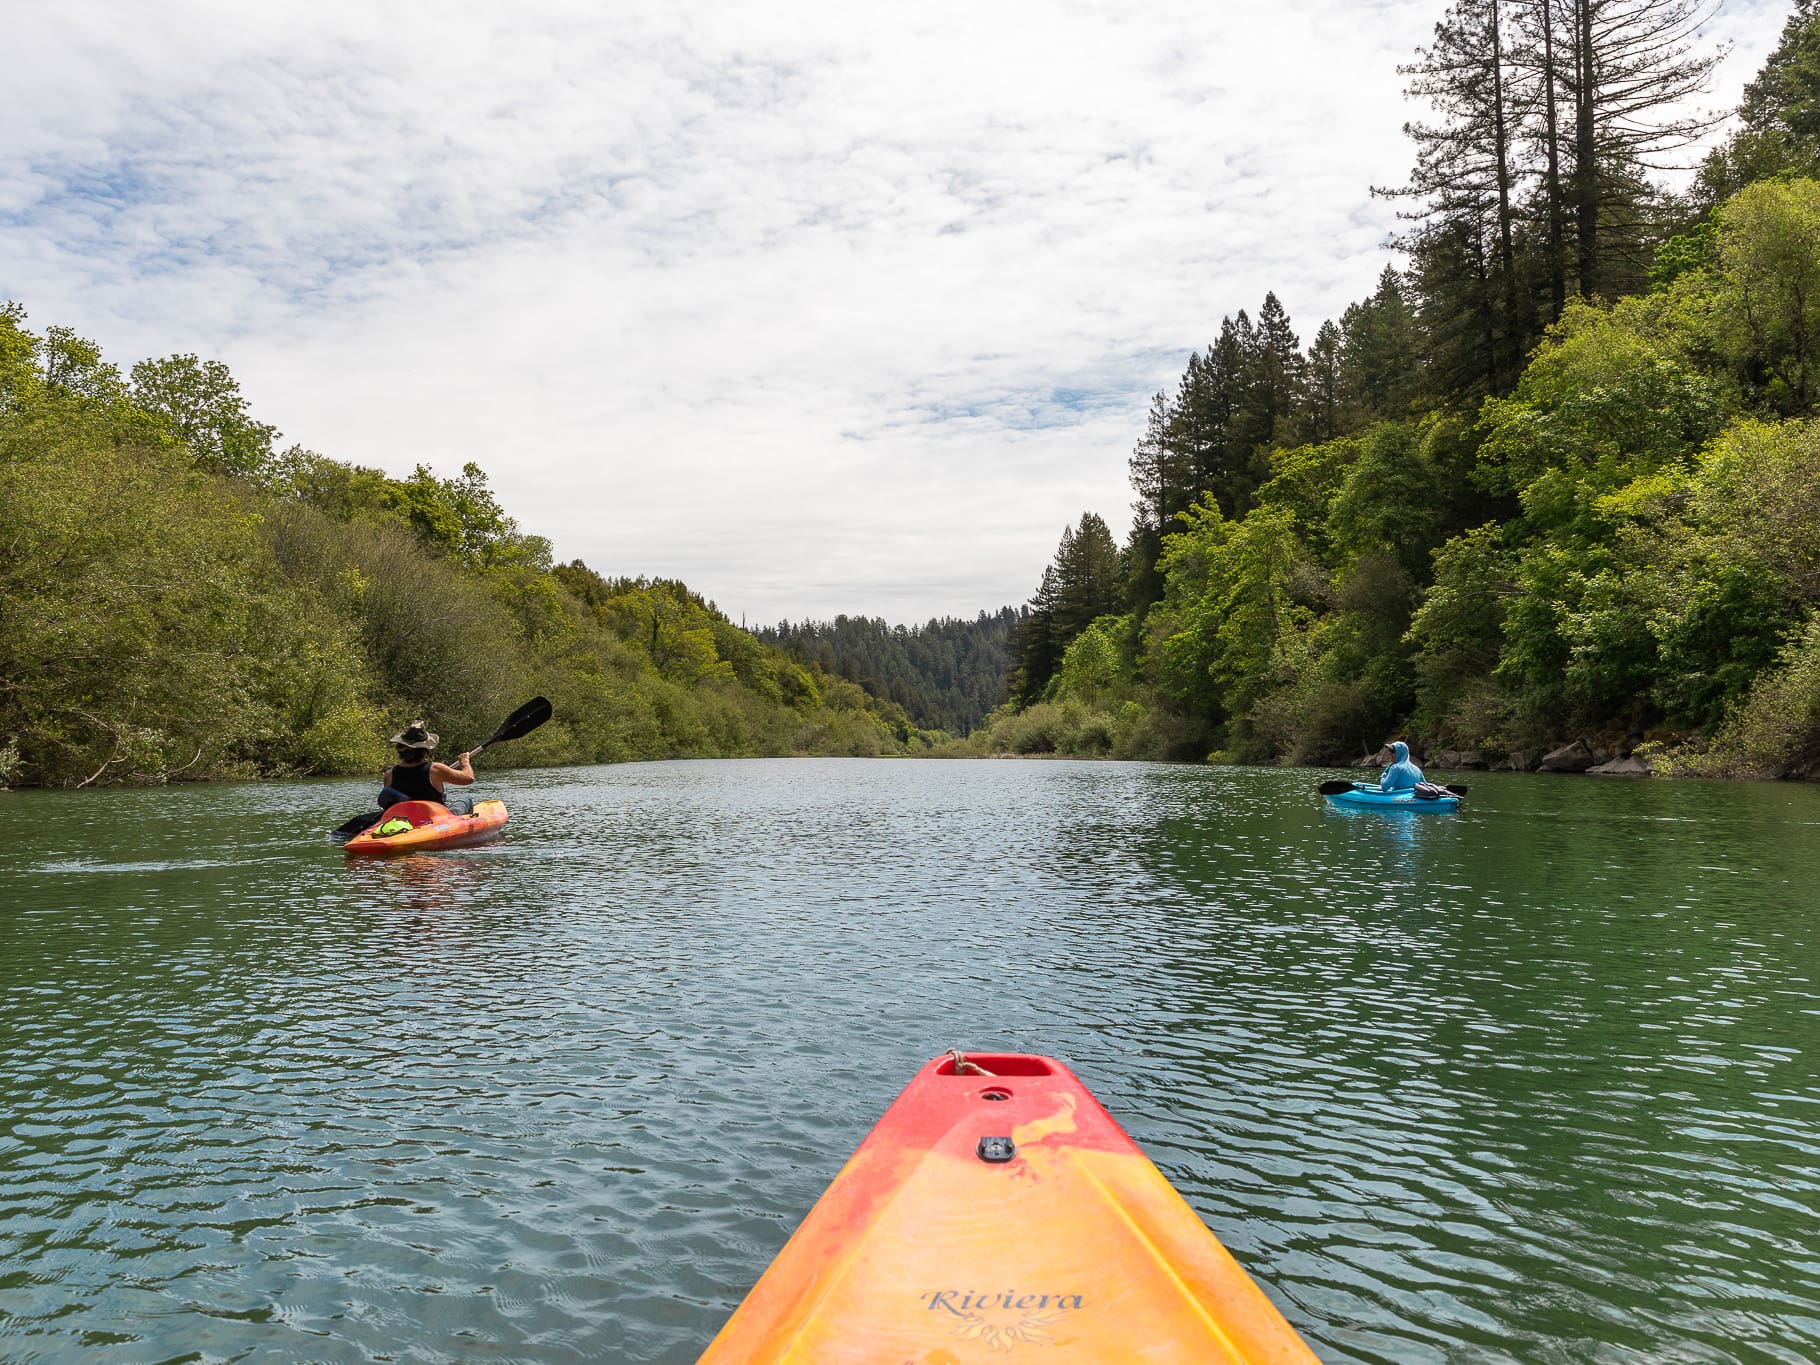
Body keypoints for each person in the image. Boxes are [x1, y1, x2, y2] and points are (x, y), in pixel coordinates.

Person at [378, 721, 476, 813]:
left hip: (402, 820)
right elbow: (468, 778)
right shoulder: (435, 769)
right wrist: (465, 762)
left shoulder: (389, 774)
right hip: (436, 818)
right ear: (426, 752)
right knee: (466, 798)